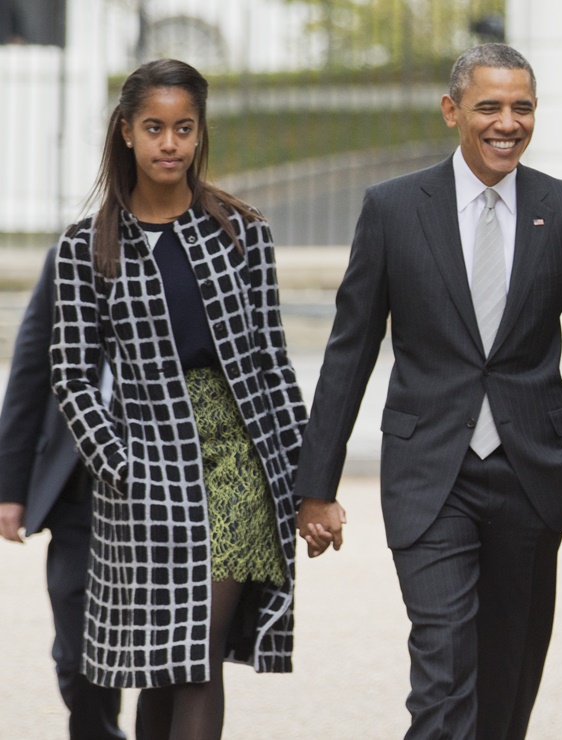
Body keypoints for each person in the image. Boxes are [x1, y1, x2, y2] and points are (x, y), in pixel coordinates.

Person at [294, 43, 562, 739]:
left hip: (532, 475)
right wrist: (316, 484)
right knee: (443, 677)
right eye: (489, 107)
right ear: (452, 111)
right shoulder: (392, 209)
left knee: (505, 693)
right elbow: (350, 350)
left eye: (522, 107)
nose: (508, 123)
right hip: (430, 475)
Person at [49, 58, 308, 738]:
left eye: (184, 128)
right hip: (145, 468)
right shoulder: (86, 248)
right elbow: (71, 377)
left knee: (194, 653)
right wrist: (121, 465)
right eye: (156, 128)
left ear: (200, 134)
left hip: (235, 461)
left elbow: (272, 361)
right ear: (127, 132)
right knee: (164, 659)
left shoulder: (241, 233)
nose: (171, 143)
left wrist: (309, 476)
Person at [0, 248, 127, 739]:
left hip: (173, 480)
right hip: (81, 483)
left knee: (171, 657)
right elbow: (32, 368)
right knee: (78, 653)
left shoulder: (200, 245)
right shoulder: (75, 253)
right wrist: (10, 487)